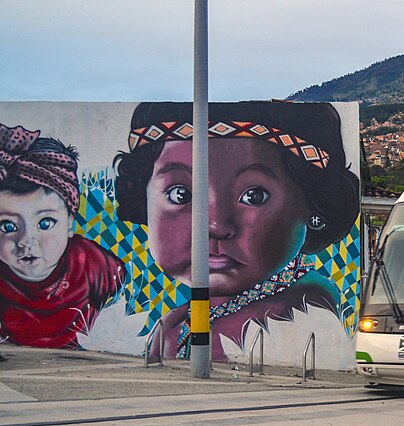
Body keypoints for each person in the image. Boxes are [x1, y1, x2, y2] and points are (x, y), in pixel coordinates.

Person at [114, 102, 359, 361]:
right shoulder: (187, 316)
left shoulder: (297, 312)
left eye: (254, 196)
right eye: (180, 194)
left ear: (312, 204)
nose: (216, 226)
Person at [0, 123, 126, 348]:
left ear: (70, 222)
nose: (27, 241)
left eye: (45, 223)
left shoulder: (96, 267)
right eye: (7, 226)